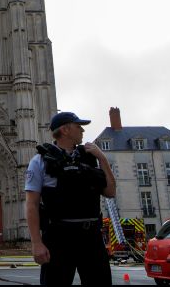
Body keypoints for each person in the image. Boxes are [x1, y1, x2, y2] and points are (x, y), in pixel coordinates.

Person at [25, 111, 116, 286]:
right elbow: (32, 204)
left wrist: (102, 158)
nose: (82, 130)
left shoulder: (90, 158)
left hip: (91, 237)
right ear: (66, 130)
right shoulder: (40, 161)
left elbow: (110, 192)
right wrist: (37, 243)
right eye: (78, 126)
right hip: (59, 237)